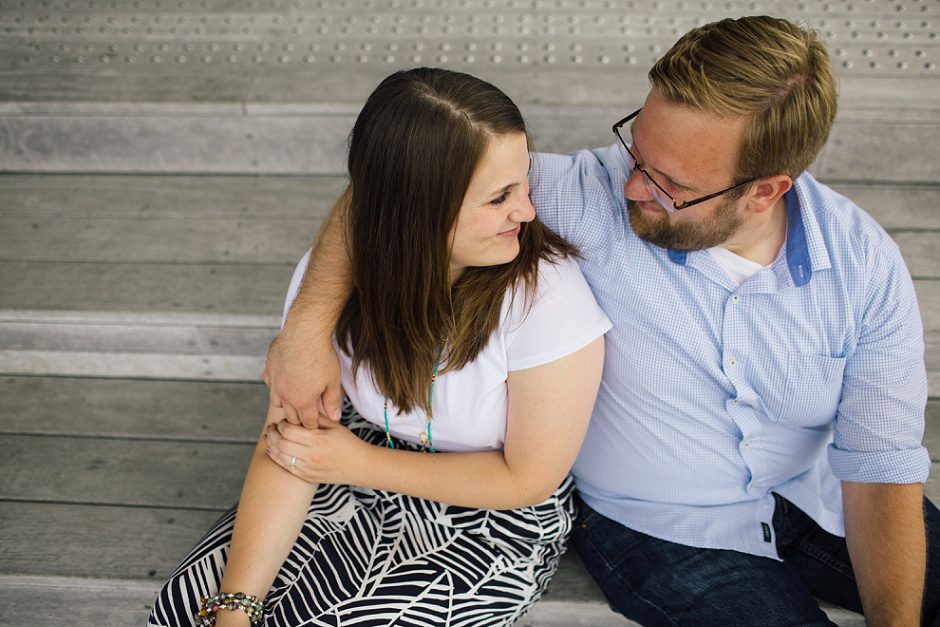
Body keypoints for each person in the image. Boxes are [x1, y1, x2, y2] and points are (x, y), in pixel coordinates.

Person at [263, 16, 939, 627]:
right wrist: (305, 327)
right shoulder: (586, 194)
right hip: (662, 531)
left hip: (818, 496)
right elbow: (398, 191)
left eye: (669, 184)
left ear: (765, 191)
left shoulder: (861, 266)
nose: (633, 186)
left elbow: (880, 471)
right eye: (636, 150)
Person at [148, 67, 610, 627]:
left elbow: (527, 479)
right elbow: (288, 449)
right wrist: (235, 608)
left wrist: (357, 463)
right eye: (498, 198)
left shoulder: (546, 297)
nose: (527, 212)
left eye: (523, 184)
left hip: (491, 508)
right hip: (355, 450)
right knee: (187, 609)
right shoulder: (334, 281)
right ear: (415, 208)